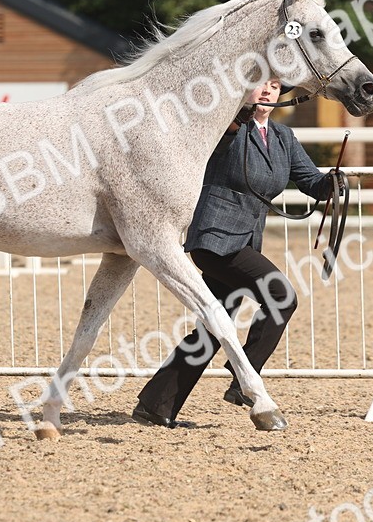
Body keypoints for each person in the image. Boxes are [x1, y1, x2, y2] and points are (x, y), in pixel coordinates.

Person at [132, 78, 334, 429]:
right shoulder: (229, 130)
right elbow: (219, 141)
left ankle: (155, 403)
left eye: (274, 86)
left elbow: (311, 182)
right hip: (214, 240)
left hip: (243, 242)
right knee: (281, 295)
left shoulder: (284, 138)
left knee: (212, 328)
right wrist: (235, 115)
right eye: (260, 85)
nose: (269, 91)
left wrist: (333, 182)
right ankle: (245, 376)